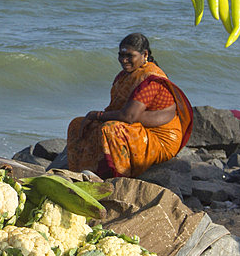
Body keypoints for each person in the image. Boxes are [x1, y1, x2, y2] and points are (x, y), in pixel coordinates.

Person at [67, 33, 193, 178]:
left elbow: (129, 116)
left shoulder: (151, 80)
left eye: (129, 56)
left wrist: (96, 115)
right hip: (137, 127)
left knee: (110, 130)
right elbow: (118, 111)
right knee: (77, 124)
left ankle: (115, 177)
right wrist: (93, 119)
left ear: (144, 54)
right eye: (121, 55)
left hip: (159, 138)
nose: (123, 60)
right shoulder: (125, 75)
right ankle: (78, 175)